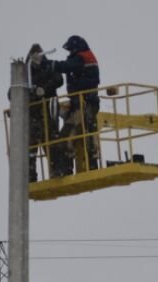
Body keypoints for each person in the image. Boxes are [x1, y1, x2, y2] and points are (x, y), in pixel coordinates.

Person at [53, 35, 101, 172]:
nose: (69, 53)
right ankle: (83, 166)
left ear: (75, 48)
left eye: (70, 50)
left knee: (74, 135)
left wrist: (50, 65)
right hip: (81, 103)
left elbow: (67, 66)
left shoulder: (81, 58)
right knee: (80, 135)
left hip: (85, 103)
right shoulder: (85, 57)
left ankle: (72, 168)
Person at [26, 44, 68, 180]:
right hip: (32, 114)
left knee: (51, 142)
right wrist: (27, 93)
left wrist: (44, 89)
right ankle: (30, 176)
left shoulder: (48, 67)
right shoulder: (25, 73)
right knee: (30, 147)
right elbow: (12, 92)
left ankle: (57, 171)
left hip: (48, 111)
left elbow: (59, 79)